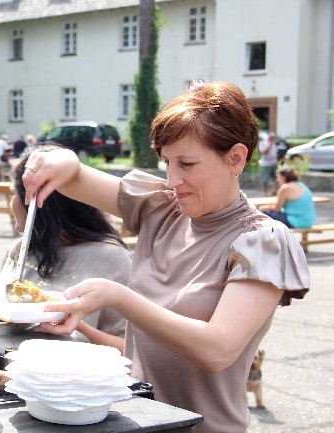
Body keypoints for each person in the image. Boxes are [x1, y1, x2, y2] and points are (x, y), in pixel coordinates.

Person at [21, 81, 309, 433]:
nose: (173, 180)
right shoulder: (161, 209)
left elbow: (217, 350)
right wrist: (60, 158)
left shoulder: (261, 242)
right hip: (134, 420)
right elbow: (74, 177)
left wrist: (119, 298)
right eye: (167, 162)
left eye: (187, 163)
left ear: (235, 158)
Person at [0, 143, 132, 339]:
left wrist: (77, 327)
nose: (10, 204)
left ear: (39, 202)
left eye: (12, 194)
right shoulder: (20, 250)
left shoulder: (111, 258)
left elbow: (135, 352)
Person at [259, 131, 279, 196]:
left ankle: (274, 189)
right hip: (266, 164)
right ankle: (265, 193)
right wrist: (270, 145)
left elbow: (275, 152)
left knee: (278, 177)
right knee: (265, 180)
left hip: (273, 163)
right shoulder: (263, 143)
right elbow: (264, 152)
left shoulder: (274, 143)